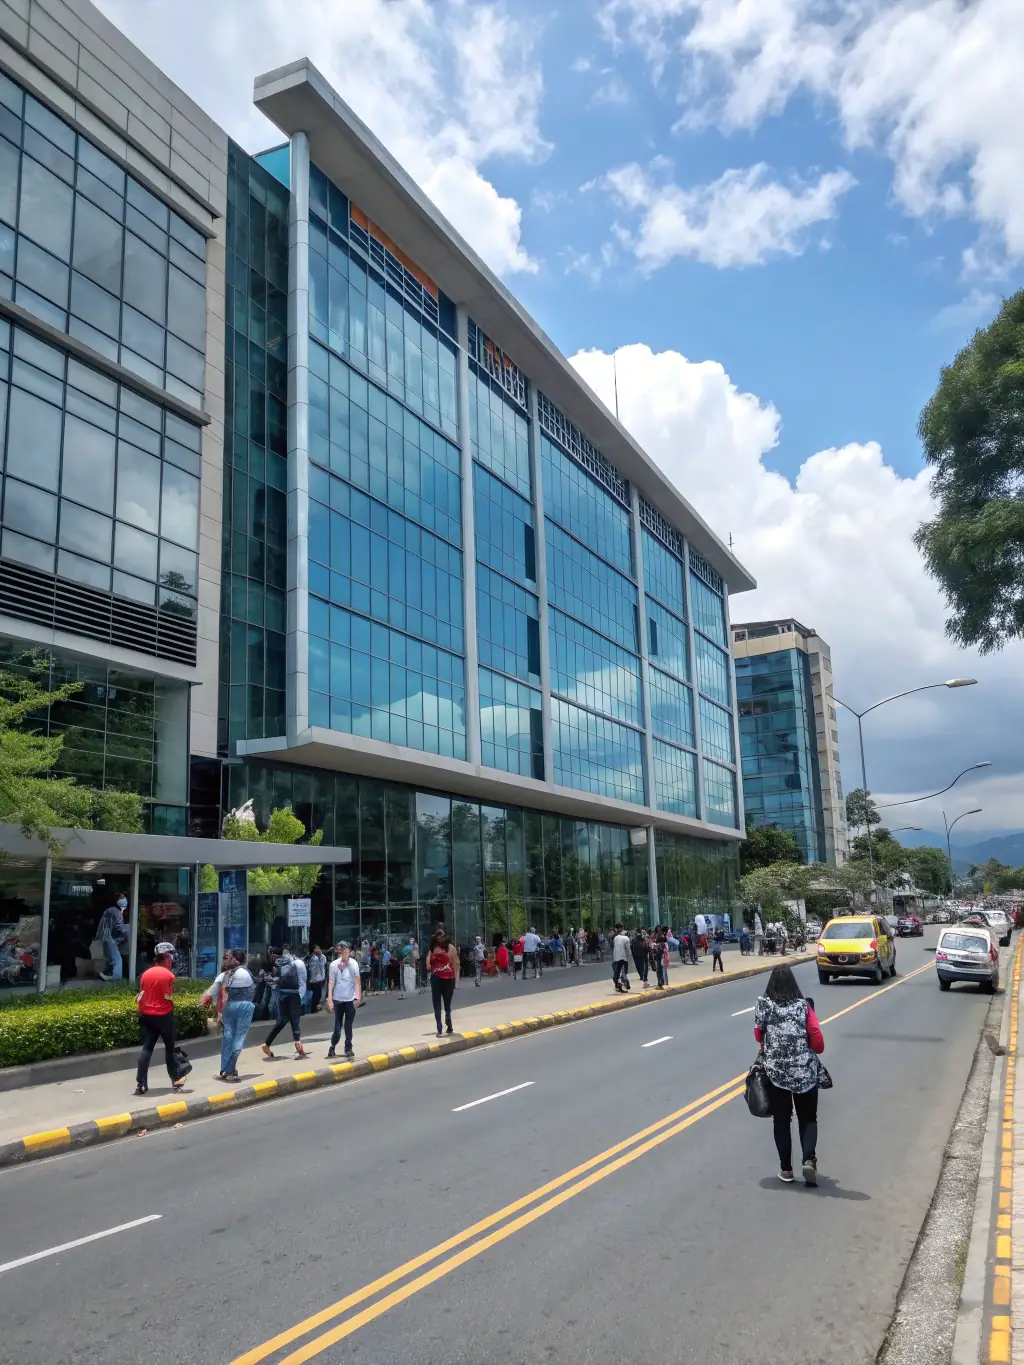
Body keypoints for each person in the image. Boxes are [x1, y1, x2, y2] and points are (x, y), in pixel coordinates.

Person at [753, 965, 825, 1185]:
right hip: (804, 1071)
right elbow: (817, 1040)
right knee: (808, 1118)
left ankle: (786, 1170)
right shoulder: (804, 1006)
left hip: (776, 1073)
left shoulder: (763, 1005)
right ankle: (808, 1160)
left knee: (782, 1120)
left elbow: (758, 1036)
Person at [134, 942, 185, 1096]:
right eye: (171, 958)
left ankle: (141, 1083)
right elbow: (167, 996)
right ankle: (176, 1080)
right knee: (170, 1048)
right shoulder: (168, 975)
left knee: (147, 1048)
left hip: (147, 1015)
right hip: (164, 1015)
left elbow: (141, 994)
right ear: (167, 958)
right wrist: (172, 1002)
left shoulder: (145, 974)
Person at [262, 945, 309, 1060]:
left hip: (282, 995)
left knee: (282, 1021)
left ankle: (267, 1043)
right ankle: (300, 1049)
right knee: (295, 1022)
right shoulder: (299, 963)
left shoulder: (279, 963)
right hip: (294, 995)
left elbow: (275, 981)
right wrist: (301, 997)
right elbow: (302, 981)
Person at [216, 950, 256, 1082]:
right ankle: (230, 1071)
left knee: (228, 1037)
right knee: (239, 1038)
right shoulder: (246, 972)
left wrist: (220, 1011)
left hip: (230, 1006)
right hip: (244, 1006)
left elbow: (222, 993)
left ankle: (224, 1070)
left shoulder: (227, 974)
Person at [326, 942, 362, 1059]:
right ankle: (332, 1047)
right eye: (342, 951)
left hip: (350, 999)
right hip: (338, 1000)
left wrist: (358, 997)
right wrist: (330, 999)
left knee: (348, 1026)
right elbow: (331, 983)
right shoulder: (334, 965)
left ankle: (348, 1048)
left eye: (347, 951)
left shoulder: (354, 964)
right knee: (338, 1026)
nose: (345, 953)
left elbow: (357, 981)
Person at [428, 929, 457, 1037]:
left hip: (436, 978)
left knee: (437, 1004)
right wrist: (455, 978)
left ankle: (439, 1028)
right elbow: (455, 963)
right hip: (448, 977)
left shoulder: (432, 950)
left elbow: (428, 965)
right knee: (447, 1003)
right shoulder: (450, 948)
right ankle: (449, 1023)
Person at [97, 894, 128, 981]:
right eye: (122, 898)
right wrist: (131, 926)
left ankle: (108, 975)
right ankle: (117, 981)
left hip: (107, 938)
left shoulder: (110, 910)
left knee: (111, 959)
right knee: (117, 961)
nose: (124, 900)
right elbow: (119, 927)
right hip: (110, 939)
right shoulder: (116, 912)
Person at [306, 945, 327, 1013]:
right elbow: (312, 969)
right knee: (315, 995)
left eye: (319, 948)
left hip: (318, 979)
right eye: (316, 948)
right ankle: (312, 1009)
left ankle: (314, 1008)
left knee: (317, 995)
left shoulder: (321, 957)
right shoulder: (313, 958)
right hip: (314, 980)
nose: (318, 950)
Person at [611, 924, 631, 992]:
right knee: (623, 972)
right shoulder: (626, 938)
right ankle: (624, 983)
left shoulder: (615, 938)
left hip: (616, 958)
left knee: (617, 973)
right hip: (623, 958)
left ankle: (618, 986)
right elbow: (628, 950)